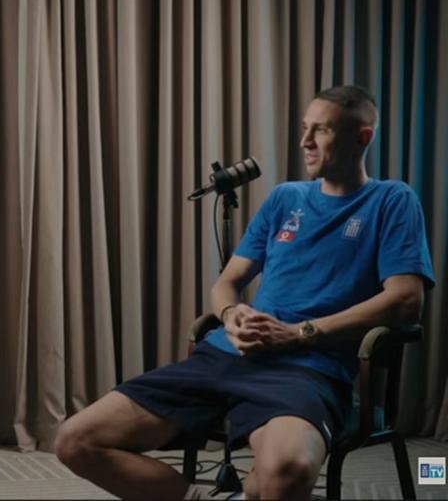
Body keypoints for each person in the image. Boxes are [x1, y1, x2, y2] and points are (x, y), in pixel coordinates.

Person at [55, 85, 435, 500]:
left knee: (286, 472)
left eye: (321, 130)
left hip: (308, 370)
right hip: (224, 356)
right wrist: (230, 314)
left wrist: (299, 334)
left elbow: (406, 300)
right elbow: (227, 283)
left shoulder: (392, 200)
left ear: (362, 137)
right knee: (75, 440)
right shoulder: (284, 198)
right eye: (304, 128)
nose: (305, 141)